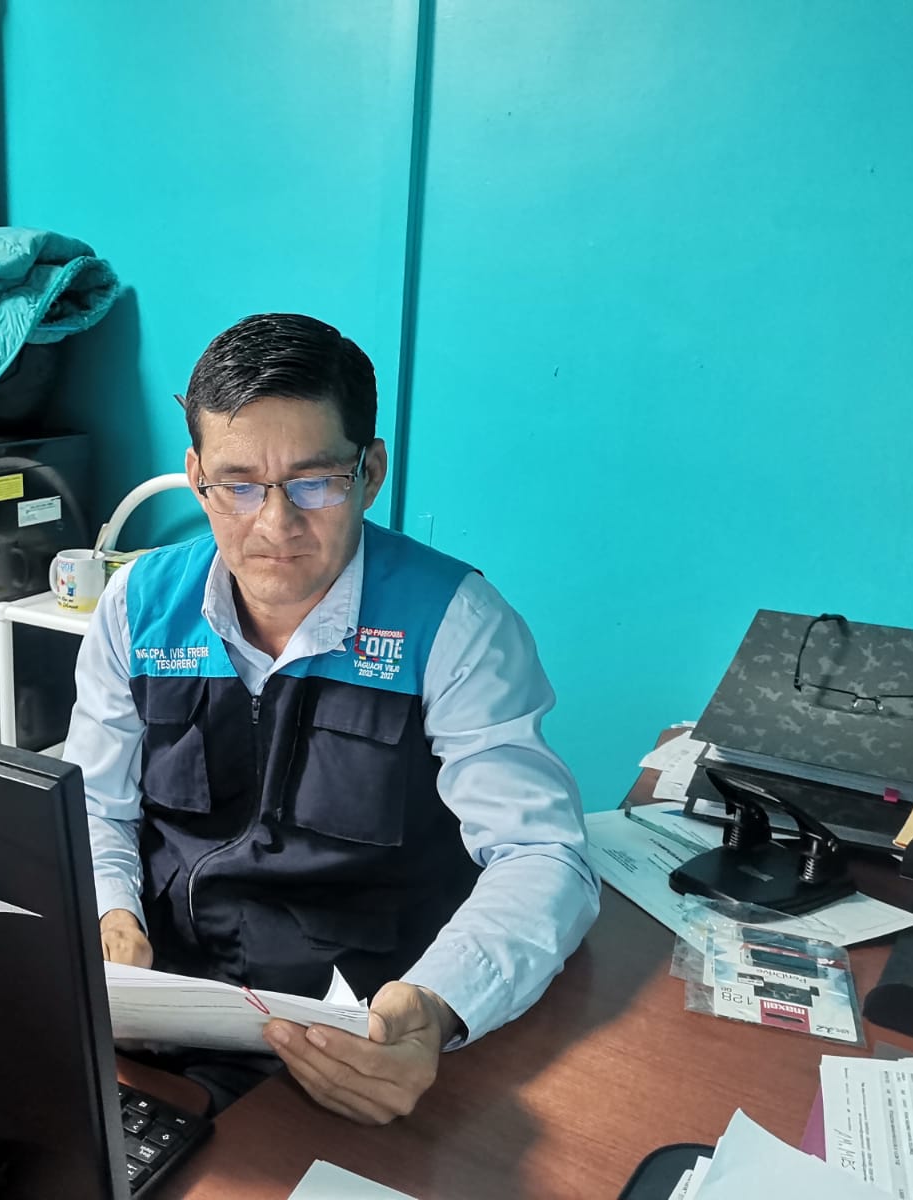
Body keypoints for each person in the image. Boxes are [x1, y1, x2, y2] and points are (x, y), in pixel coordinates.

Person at [64, 313, 598, 1124]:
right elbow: (96, 807)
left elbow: (541, 854)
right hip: (158, 1017)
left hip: (352, 1042)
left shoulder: (452, 624)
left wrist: (438, 1006)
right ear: (196, 477)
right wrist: (113, 913)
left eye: (314, 482)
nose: (275, 525)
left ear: (370, 471)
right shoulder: (138, 607)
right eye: (238, 485)